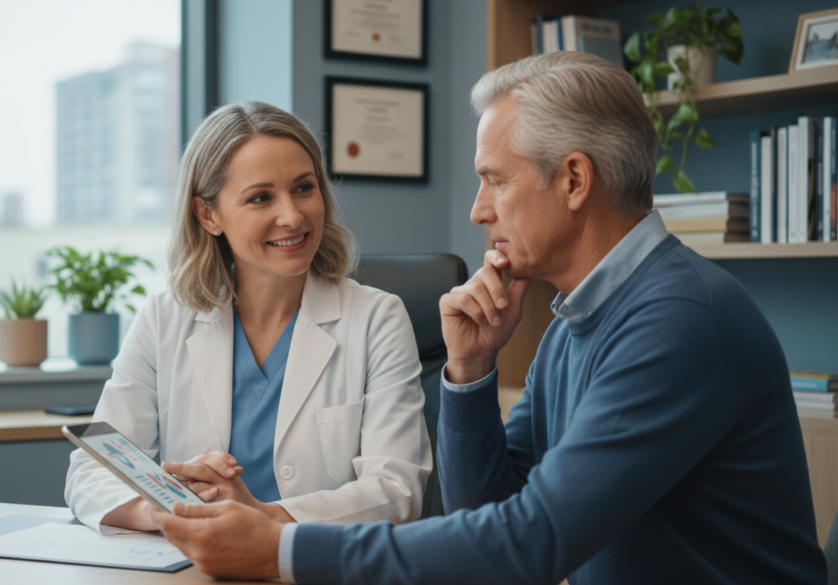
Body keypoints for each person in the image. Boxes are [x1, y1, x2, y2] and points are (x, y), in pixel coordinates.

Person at [156, 52, 828, 584]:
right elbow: (487, 519)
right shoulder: (577, 316)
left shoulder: (677, 320)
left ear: (572, 180)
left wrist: (282, 548)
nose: (479, 210)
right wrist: (472, 372)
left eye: (495, 180)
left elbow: (529, 544)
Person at [64, 101, 432, 533]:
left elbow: (396, 491)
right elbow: (90, 472)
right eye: (261, 197)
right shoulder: (164, 318)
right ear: (208, 214)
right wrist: (170, 510)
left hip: (316, 567)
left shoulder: (377, 319)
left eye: (303, 188)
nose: (292, 216)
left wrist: (259, 517)